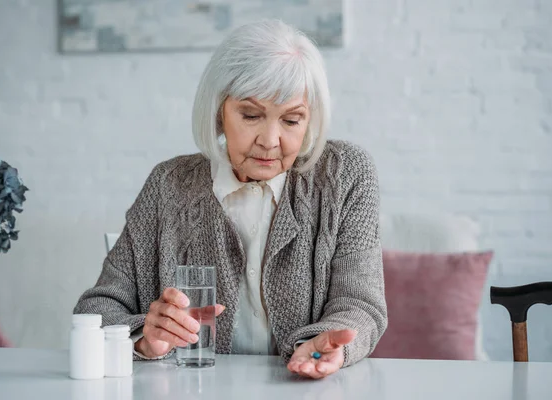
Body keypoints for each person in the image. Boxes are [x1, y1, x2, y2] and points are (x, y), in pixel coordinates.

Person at [74, 19, 387, 380]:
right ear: (219, 111)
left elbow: (359, 303)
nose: (270, 141)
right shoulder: (168, 185)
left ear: (310, 119)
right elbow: (98, 310)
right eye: (251, 115)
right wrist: (145, 334)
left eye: (291, 120)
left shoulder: (345, 174)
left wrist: (330, 342)